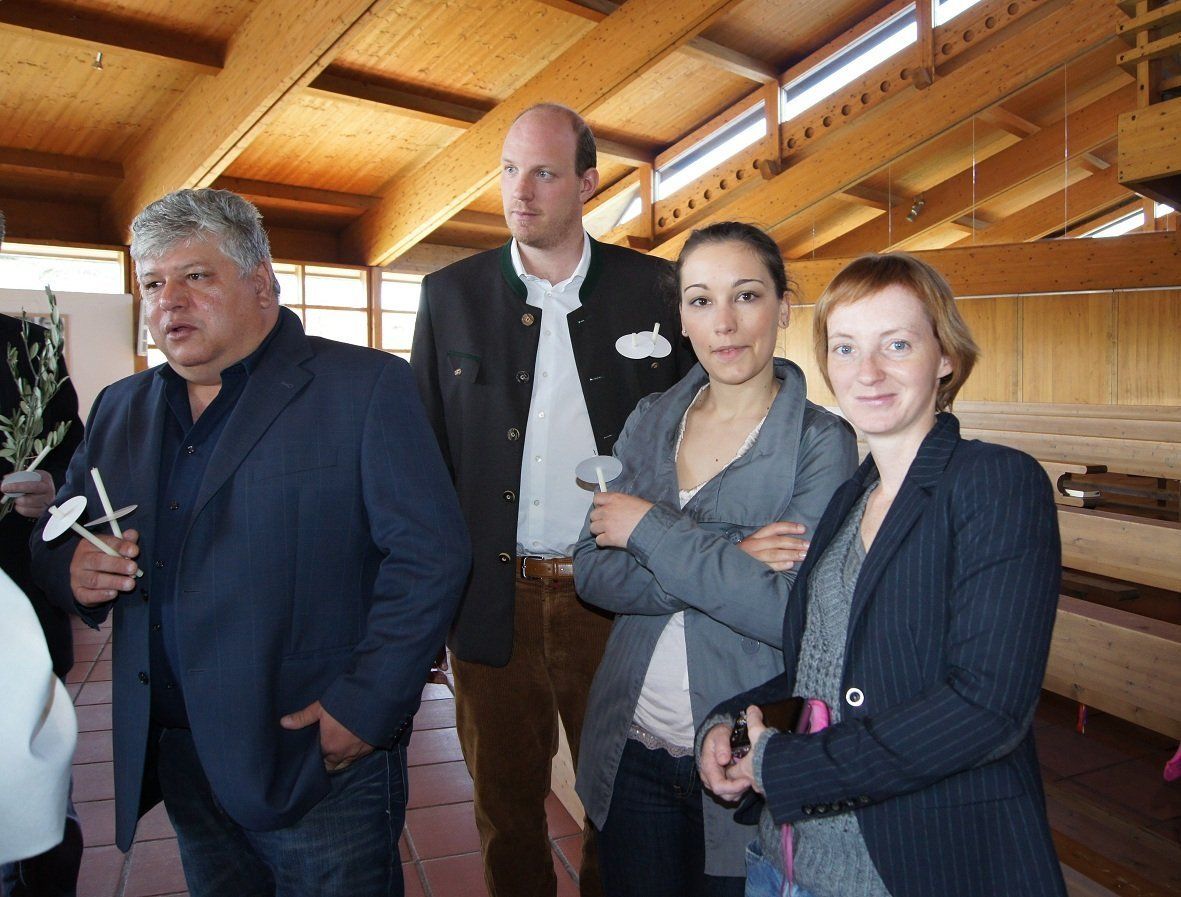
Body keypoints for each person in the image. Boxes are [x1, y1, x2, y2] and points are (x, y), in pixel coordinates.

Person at [30, 188, 469, 897]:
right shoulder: (121, 407)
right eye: (153, 283)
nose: (169, 301)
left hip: (311, 751)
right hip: (179, 752)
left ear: (260, 282)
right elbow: (60, 529)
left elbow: (431, 557)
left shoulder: (361, 388)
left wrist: (366, 708)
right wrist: (71, 569)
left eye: (195, 276)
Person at [698, 253, 1066, 897]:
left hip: (915, 866)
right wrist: (733, 722)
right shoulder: (852, 497)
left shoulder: (994, 483)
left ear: (944, 356)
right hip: (787, 864)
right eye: (845, 348)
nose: (867, 372)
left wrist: (789, 767)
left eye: (897, 344)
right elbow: (826, 670)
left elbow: (986, 709)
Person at [412, 102, 695, 897]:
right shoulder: (449, 294)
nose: (520, 190)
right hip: (490, 598)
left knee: (621, 805)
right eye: (508, 170)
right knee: (505, 810)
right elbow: (425, 458)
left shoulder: (656, 288)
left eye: (542, 172)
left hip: (615, 597)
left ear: (587, 182)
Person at [571, 222, 857, 897]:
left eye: (746, 296)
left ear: (783, 308)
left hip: (740, 751)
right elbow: (591, 571)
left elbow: (787, 612)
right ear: (681, 318)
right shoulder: (649, 419)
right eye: (700, 300)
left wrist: (650, 531)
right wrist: (732, 553)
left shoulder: (821, 442)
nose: (723, 323)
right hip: (630, 739)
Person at [0, 208, 85, 897]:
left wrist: (53, 488)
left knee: (35, 800)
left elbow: (75, 457)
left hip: (18, 613)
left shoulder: (31, 349)